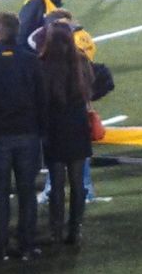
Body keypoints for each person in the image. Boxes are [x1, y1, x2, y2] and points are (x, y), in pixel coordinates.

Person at [0, 12, 48, 262]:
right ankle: (27, 245)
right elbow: (42, 100)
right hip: (27, 135)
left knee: (0, 193)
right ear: (17, 33)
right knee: (27, 193)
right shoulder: (31, 61)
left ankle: (0, 247)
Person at [40, 23, 99, 249]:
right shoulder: (81, 61)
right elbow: (91, 87)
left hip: (54, 128)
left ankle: (56, 230)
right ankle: (75, 229)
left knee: (56, 183)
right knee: (77, 183)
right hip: (77, 126)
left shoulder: (43, 63)